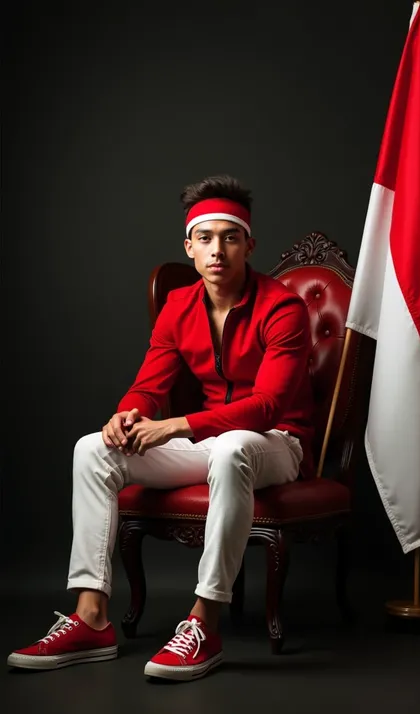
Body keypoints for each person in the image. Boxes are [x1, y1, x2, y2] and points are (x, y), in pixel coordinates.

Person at [7, 175, 315, 681]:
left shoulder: (283, 307)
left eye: (231, 237)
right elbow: (149, 386)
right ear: (189, 247)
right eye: (206, 238)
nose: (218, 250)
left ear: (249, 245)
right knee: (92, 450)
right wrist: (125, 414)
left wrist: (174, 426)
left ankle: (204, 622)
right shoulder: (179, 307)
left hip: (278, 444)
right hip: (208, 443)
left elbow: (266, 408)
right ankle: (91, 617)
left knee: (235, 446)